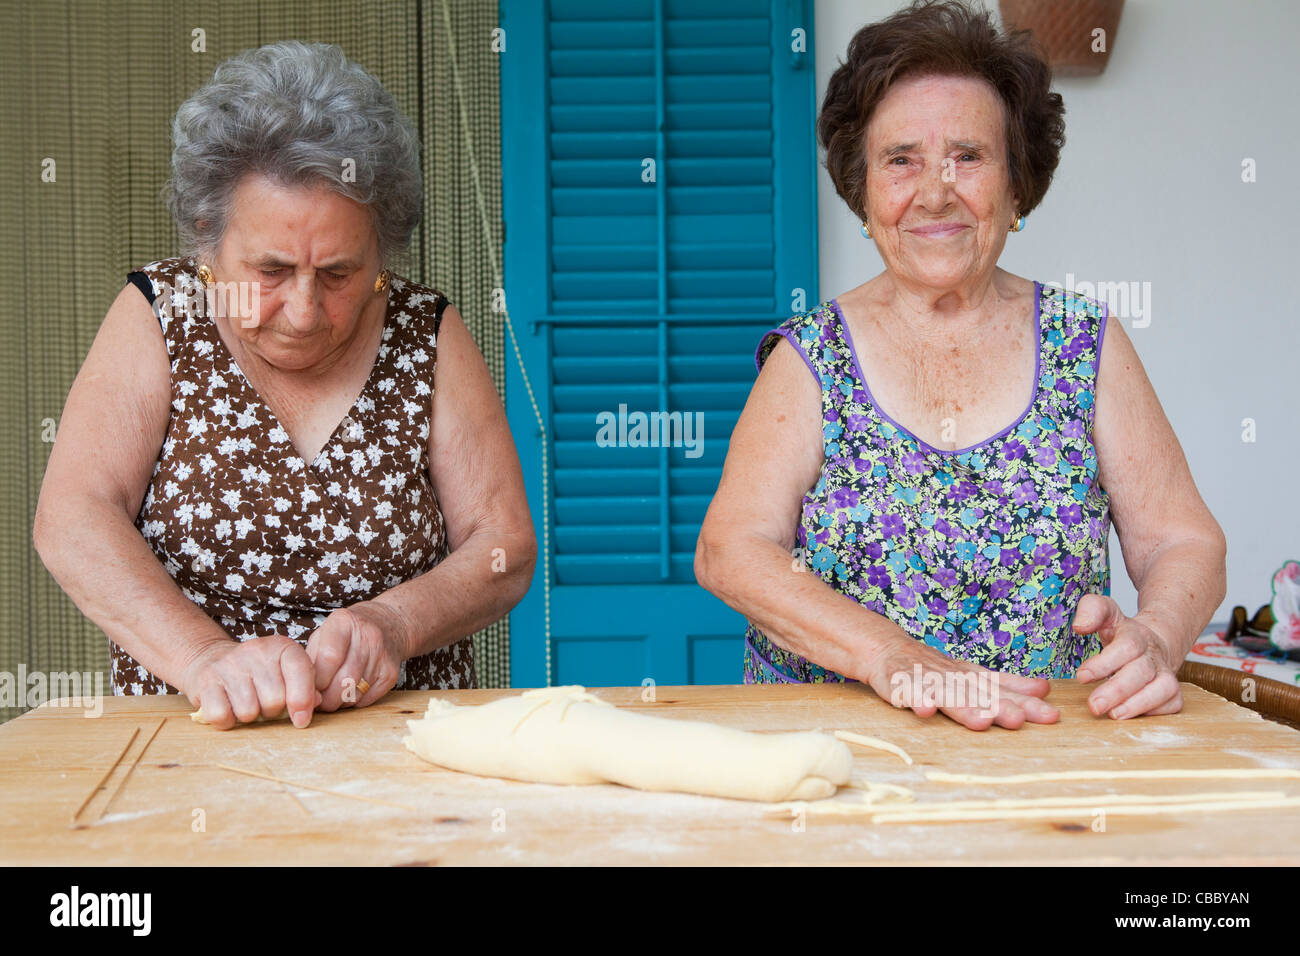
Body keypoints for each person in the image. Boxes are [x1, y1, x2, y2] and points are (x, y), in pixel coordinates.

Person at [696, 0, 1226, 730]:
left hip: (1045, 756)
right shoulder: (812, 358)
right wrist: (891, 653)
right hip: (836, 760)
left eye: (968, 157)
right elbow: (732, 549)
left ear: (1017, 188)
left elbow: (1182, 539)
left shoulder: (1087, 343)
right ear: (864, 189)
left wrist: (1160, 636)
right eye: (902, 160)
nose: (936, 191)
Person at [34, 41, 535, 729]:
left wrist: (395, 621)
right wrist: (207, 659)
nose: (304, 312)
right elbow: (73, 519)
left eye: (338, 274)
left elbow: (502, 546)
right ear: (207, 238)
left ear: (380, 249)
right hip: (190, 737)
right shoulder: (163, 313)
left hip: (400, 741)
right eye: (270, 271)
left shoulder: (425, 330)